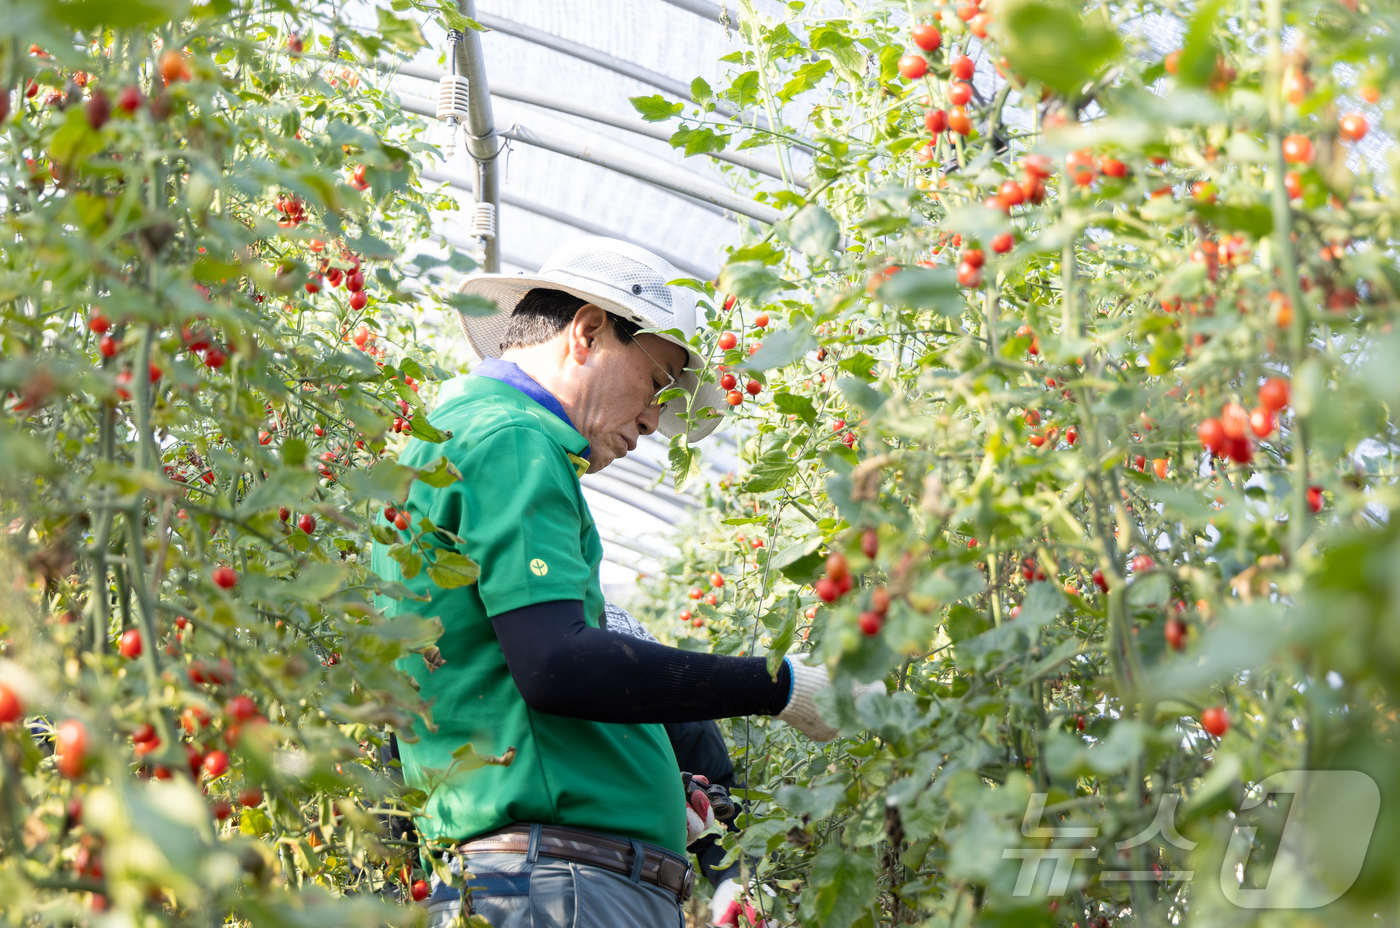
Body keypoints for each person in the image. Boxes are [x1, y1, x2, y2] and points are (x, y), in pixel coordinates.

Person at [371, 237, 879, 928]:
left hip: (536, 880)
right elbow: (556, 665)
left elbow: (501, 687)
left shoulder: (456, 438)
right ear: (586, 332)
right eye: (658, 382)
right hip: (561, 887)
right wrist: (778, 685)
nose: (653, 419)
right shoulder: (511, 439)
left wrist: (653, 791)